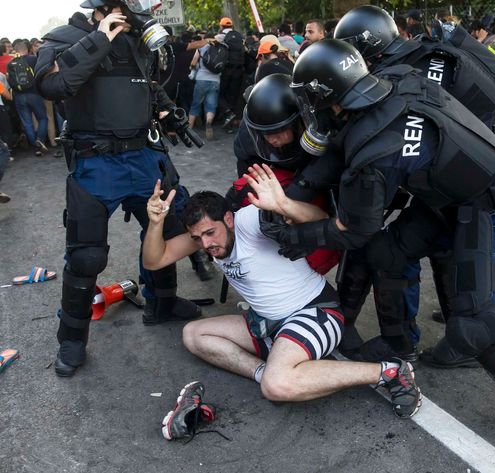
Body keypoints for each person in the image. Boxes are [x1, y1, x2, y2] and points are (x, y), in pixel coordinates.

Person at [257, 40, 495, 471]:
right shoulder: (394, 81)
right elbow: (342, 151)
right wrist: (293, 194)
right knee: (387, 252)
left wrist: (297, 236)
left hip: (489, 208)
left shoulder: (375, 152)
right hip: (448, 201)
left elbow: (352, 228)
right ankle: (399, 345)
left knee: (474, 322)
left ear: (323, 94)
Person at [332, 6, 495, 378]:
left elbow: (415, 145)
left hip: (490, 195)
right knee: (396, 250)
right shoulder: (427, 51)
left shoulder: (412, 73)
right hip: (460, 187)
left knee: (478, 317)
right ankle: (404, 342)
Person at [141, 179, 422, 424]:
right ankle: (266, 370)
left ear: (228, 218)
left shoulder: (248, 220)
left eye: (209, 233)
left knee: (277, 387)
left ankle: (390, 372)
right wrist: (155, 224)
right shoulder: (206, 238)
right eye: (197, 238)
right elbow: (155, 260)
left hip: (313, 312)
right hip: (267, 322)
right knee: (193, 334)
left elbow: (320, 218)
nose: (205, 245)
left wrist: (284, 204)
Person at [35, 0, 205, 377]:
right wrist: (97, 39)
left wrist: (168, 111)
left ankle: (163, 302)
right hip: (96, 161)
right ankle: (73, 339)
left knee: (169, 227)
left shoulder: (137, 39)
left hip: (144, 155)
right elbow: (51, 84)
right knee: (86, 256)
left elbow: (148, 84)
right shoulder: (67, 38)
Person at [9, 39, 49, 156]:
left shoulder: (11, 64)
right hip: (34, 93)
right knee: (42, 118)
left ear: (15, 50)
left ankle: (35, 147)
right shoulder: (33, 59)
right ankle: (40, 140)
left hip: (19, 96)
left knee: (27, 122)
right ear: (26, 49)